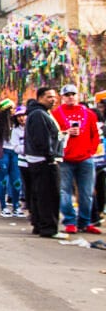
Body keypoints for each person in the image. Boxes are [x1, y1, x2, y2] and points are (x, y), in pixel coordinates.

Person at [51, 84, 102, 235]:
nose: (70, 97)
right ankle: (70, 221)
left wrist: (90, 151)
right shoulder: (56, 114)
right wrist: (66, 132)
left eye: (73, 94)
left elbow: (95, 136)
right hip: (65, 159)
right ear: (62, 97)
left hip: (85, 159)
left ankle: (85, 222)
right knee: (65, 191)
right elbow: (53, 135)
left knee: (87, 193)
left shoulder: (89, 114)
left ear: (78, 96)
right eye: (67, 95)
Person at [25, 87, 67, 239]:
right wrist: (50, 156)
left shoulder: (41, 113)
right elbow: (41, 139)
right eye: (49, 97)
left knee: (40, 194)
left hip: (41, 159)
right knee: (48, 195)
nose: (53, 100)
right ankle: (48, 227)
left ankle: (41, 224)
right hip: (44, 161)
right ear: (41, 98)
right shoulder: (38, 114)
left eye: (54, 97)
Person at [0, 99, 24, 218]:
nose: (14, 111)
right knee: (2, 180)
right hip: (2, 154)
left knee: (16, 181)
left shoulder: (17, 122)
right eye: (11, 109)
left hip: (15, 153)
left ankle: (16, 206)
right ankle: (3, 207)